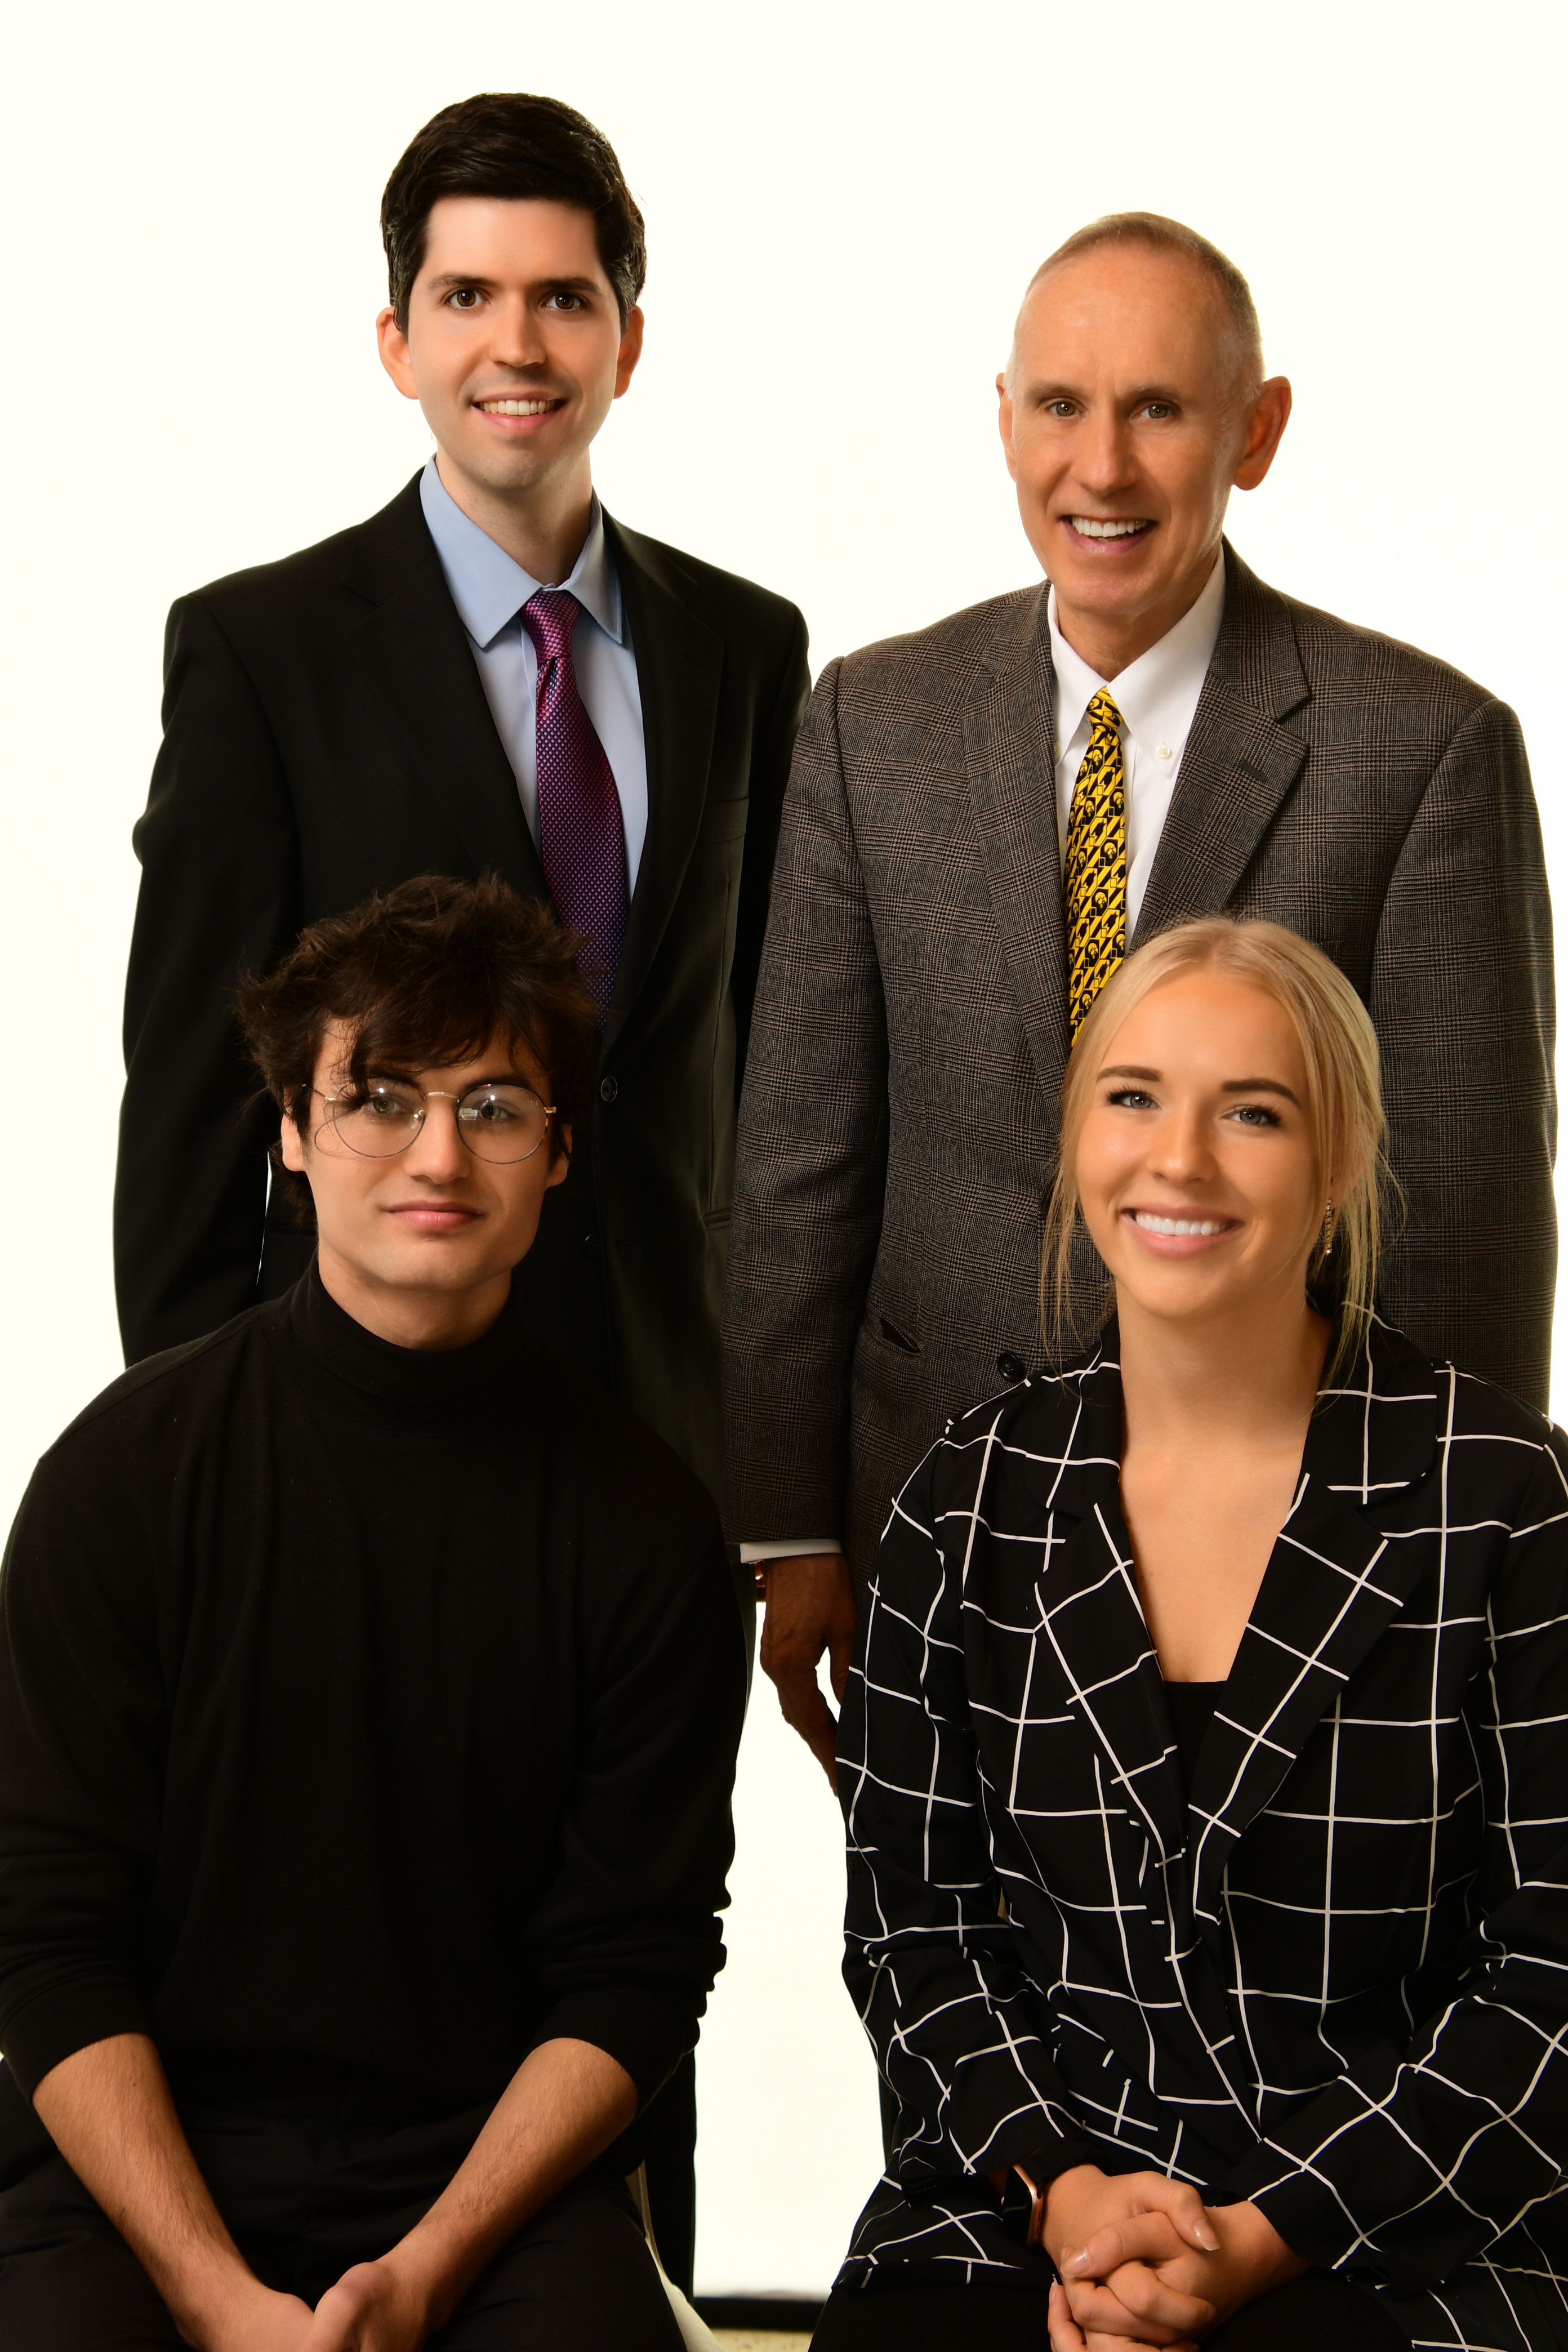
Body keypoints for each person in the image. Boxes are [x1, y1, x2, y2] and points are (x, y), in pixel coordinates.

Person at [113, 91, 807, 2279]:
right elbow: (185, 1117)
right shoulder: (263, 651)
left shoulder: (746, 652)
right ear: (396, 338)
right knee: (342, 1956)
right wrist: (224, 1461)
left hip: (655, 1455)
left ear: (628, 335)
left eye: (564, 295)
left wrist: (784, 1487)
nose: (521, 339)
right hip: (351, 1453)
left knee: (624, 1967)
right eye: (471, 296)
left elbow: (775, 1105)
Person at [721, 211, 1555, 1784]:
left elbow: (1471, 1216)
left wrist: (1459, 1572)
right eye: (1061, 406)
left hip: (1303, 1562)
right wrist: (790, 1519)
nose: (1100, 468)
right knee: (951, 1988)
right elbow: (798, 1161)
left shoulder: (1421, 748)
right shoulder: (872, 723)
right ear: (1006, 419)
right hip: (931, 1523)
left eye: (1159, 410)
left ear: (1258, 431)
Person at [0, 875, 745, 2350]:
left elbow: (638, 1966)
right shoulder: (122, 1481)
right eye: (381, 1098)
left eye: (495, 1107)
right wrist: (218, 2302)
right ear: (290, 1131)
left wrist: (425, 2272)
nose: (437, 1156)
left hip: (489, 2186)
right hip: (144, 2170)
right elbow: (45, 1939)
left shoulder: (650, 1527)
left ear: (562, 1154)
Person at [814, 916, 1568, 2352]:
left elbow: (1550, 1978)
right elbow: (917, 1935)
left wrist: (1258, 2239)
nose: (1181, 1160)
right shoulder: (964, 1501)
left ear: (1340, 1162)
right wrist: (1075, 2203)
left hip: (1404, 2223)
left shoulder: (1512, 1500)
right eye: (1134, 1096)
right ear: (1077, 1136)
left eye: (1256, 1114)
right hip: (1031, 2203)